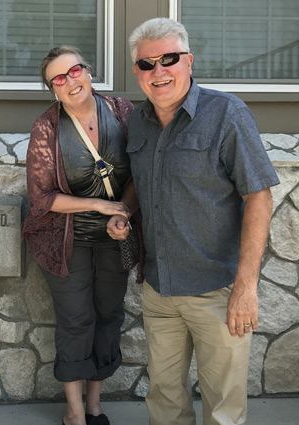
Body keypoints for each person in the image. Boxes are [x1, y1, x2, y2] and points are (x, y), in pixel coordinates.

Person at [110, 17, 279, 425]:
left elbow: (259, 197)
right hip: (160, 289)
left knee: (223, 408)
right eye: (147, 64)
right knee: (164, 402)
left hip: (218, 291)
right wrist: (125, 209)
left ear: (189, 61)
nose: (159, 71)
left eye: (169, 58)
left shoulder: (227, 113)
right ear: (137, 72)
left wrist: (246, 287)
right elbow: (141, 175)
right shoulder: (137, 120)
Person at [22, 46, 138, 425]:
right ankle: (74, 413)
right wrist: (99, 207)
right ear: (51, 89)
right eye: (58, 78)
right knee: (76, 319)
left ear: (87, 71)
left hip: (113, 238)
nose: (70, 81)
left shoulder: (122, 112)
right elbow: (42, 197)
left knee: (108, 315)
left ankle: (94, 405)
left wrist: (123, 213)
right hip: (66, 240)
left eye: (74, 71)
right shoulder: (47, 127)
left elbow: (139, 173)